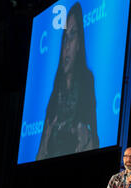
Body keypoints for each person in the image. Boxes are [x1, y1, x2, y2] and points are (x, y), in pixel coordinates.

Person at [37, 2, 99, 161]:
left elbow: (93, 141)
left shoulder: (87, 81)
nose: (67, 45)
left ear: (79, 43)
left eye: (73, 35)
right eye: (65, 37)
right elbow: (40, 152)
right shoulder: (56, 90)